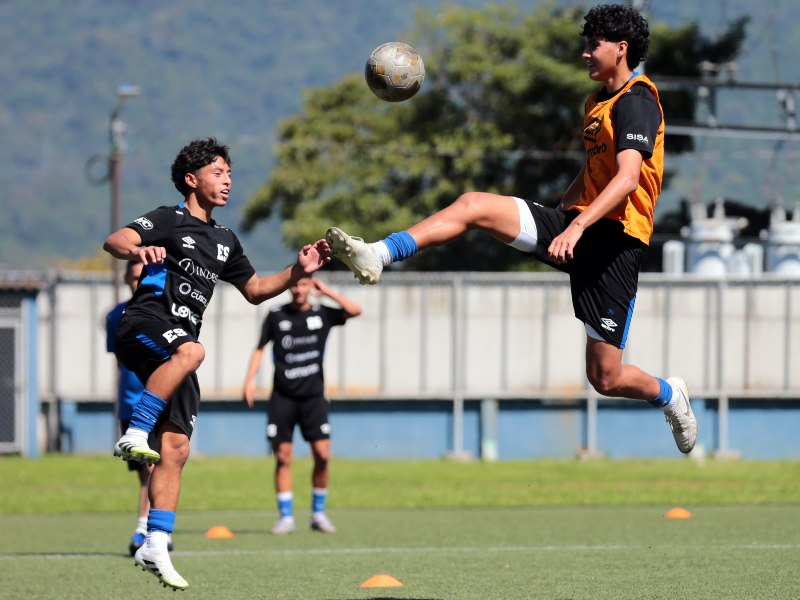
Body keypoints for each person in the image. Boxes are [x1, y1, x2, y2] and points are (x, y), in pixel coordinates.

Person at [326, 4, 697, 455]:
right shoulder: (596, 102)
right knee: (474, 205)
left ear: (621, 49)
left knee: (606, 377)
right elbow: (596, 168)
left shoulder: (637, 100)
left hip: (615, 245)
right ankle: (381, 253)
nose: (584, 53)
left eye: (592, 45)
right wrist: (565, 206)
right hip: (579, 225)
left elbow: (627, 179)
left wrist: (575, 226)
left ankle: (669, 395)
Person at [104, 137, 331, 591]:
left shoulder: (225, 240)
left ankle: (155, 542)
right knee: (193, 352)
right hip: (145, 323)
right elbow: (116, 240)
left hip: (178, 347)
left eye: (229, 173)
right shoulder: (169, 219)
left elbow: (256, 290)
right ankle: (134, 433)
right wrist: (138, 251)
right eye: (218, 172)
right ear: (191, 179)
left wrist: (299, 270)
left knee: (177, 447)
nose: (227, 180)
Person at [242, 274, 361, 535]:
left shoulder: (322, 313)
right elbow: (260, 347)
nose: (298, 289)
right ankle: (286, 517)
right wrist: (249, 380)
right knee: (284, 456)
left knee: (322, 454)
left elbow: (355, 310)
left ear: (311, 286)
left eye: (304, 284)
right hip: (282, 397)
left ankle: (318, 514)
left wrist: (327, 292)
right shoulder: (276, 315)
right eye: (294, 284)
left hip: (313, 398)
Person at [106, 260, 172, 557]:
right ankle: (152, 527)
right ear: (126, 279)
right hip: (129, 403)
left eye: (142, 277)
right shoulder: (115, 316)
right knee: (144, 472)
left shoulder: (165, 311)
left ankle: (149, 529)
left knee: (156, 465)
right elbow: (119, 360)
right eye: (134, 277)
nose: (138, 283)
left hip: (158, 401)